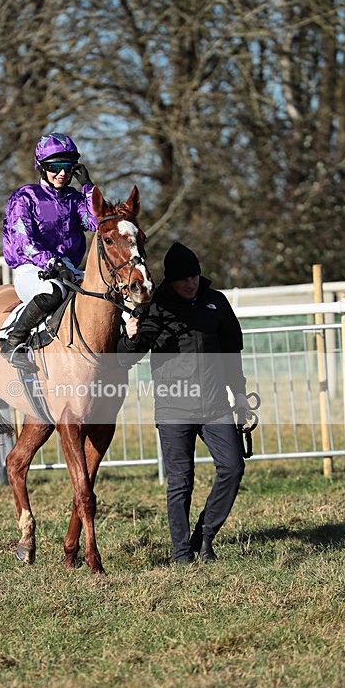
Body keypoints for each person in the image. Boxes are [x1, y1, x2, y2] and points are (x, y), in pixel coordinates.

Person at [117, 241, 251, 564]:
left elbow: (231, 355)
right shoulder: (156, 308)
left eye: (194, 276)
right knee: (180, 481)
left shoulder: (216, 302)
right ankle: (181, 554)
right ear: (171, 281)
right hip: (174, 408)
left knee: (233, 467)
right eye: (183, 279)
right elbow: (125, 358)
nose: (191, 283)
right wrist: (130, 336)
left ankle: (204, 537)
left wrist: (240, 395)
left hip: (216, 405)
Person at [0, 132, 98, 369]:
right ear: (41, 167)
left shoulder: (75, 198)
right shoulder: (25, 197)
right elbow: (24, 242)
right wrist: (53, 262)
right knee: (53, 291)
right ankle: (13, 342)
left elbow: (95, 223)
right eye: (55, 167)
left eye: (68, 167)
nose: (62, 173)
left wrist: (88, 187)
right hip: (32, 269)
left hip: (68, 268)